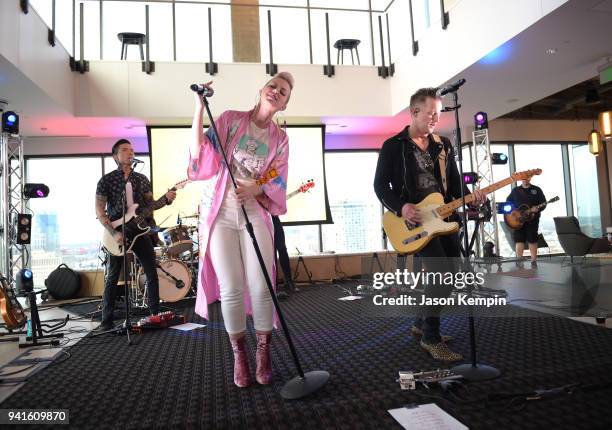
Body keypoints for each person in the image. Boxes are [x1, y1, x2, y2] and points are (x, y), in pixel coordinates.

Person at [188, 72, 293, 387]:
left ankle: (263, 351)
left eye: (283, 91)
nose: (276, 91)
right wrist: (198, 106)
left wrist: (256, 188)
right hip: (219, 212)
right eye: (273, 85)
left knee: (262, 286)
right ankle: (239, 355)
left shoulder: (280, 139)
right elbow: (202, 151)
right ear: (261, 89)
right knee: (230, 287)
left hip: (254, 212)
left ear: (286, 102)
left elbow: (278, 176)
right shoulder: (231, 120)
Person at [373, 87, 486, 362]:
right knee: (441, 277)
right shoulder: (393, 146)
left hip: (445, 219)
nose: (436, 118)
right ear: (414, 112)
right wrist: (402, 206)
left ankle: (420, 322)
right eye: (431, 113)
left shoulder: (443, 144)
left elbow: (455, 182)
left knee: (453, 273)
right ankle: (431, 337)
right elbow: (380, 185)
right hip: (416, 223)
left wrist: (471, 199)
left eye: (439, 113)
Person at [95, 139, 176, 330]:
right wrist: (113, 233)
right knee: (112, 277)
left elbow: (149, 206)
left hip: (140, 232)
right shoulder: (106, 180)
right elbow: (100, 211)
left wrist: (166, 200)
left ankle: (155, 314)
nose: (130, 152)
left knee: (151, 272)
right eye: (125, 150)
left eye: (132, 150)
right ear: (115, 156)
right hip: (117, 233)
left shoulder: (142, 179)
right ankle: (106, 321)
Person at [506, 177, 546, 266]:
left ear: (530, 178)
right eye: (523, 178)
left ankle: (533, 261)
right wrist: (513, 211)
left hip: (532, 219)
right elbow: (508, 202)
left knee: (532, 239)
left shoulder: (537, 190)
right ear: (520, 179)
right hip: (518, 220)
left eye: (527, 178)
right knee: (519, 239)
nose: (525, 180)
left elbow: (543, 203)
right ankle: (519, 261)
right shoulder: (515, 190)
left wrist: (538, 209)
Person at [272, 215, 298, 299]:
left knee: (282, 248)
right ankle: (274, 284)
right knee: (272, 252)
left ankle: (289, 281)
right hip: (261, 217)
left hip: (273, 216)